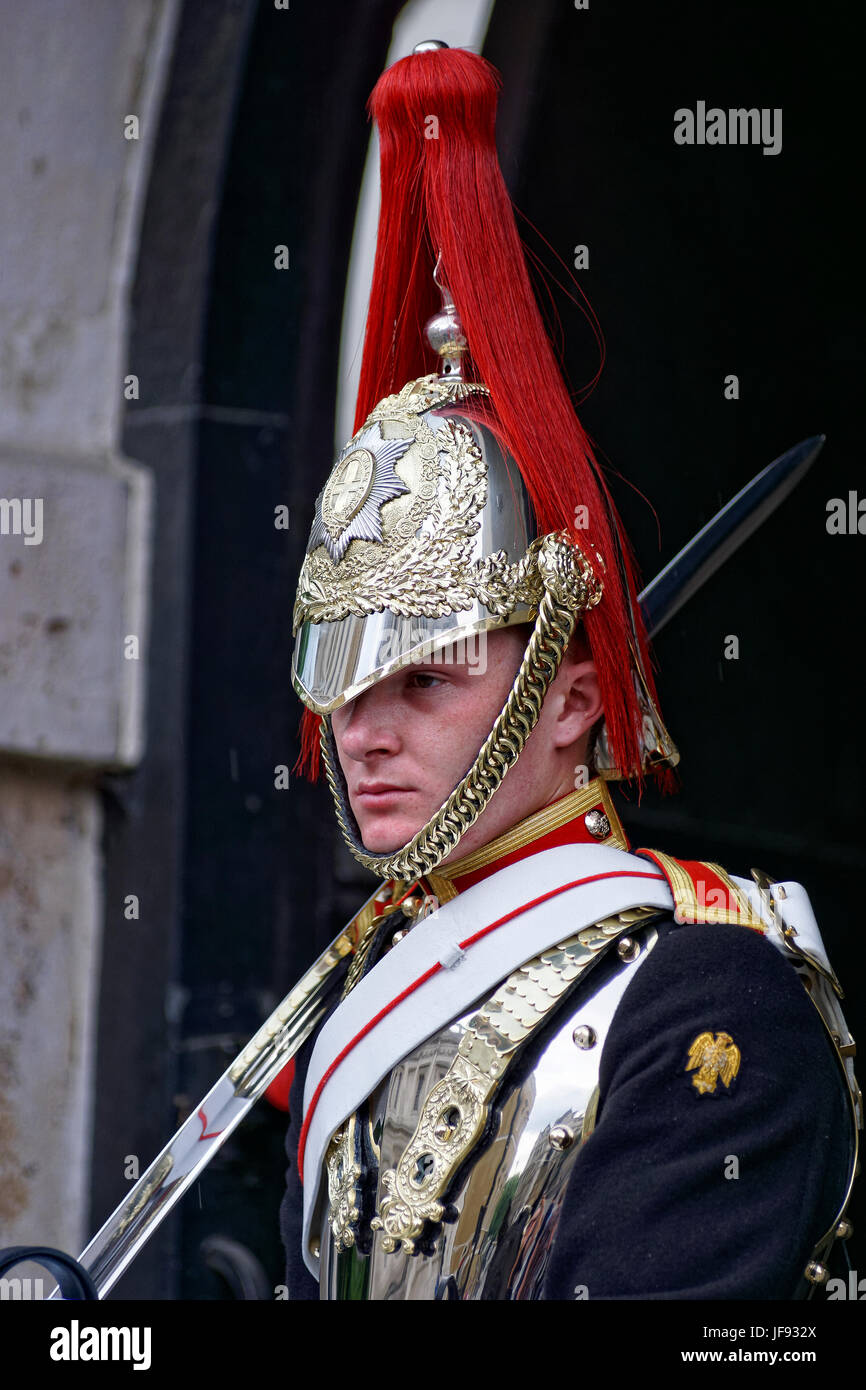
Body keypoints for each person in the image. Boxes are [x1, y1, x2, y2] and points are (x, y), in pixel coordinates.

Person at [279, 42, 858, 1300]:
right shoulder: (368, 1004)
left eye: (423, 678)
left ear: (572, 698)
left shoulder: (706, 986)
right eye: (346, 681)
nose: (363, 733)